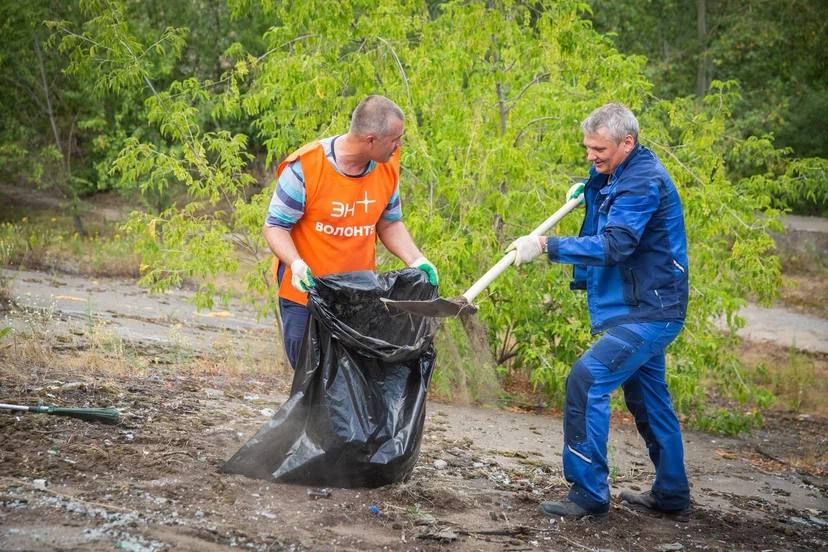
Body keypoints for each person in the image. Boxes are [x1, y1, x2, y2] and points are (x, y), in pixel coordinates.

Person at [507, 103, 690, 519]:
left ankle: (589, 494)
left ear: (628, 142)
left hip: (650, 312)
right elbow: (608, 201)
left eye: (599, 149)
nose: (591, 155)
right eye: (588, 148)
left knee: (587, 381)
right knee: (648, 400)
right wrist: (589, 188)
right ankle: (672, 494)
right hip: (641, 307)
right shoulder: (621, 172)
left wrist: (547, 246)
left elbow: (615, 246)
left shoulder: (642, 182)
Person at [263, 95, 438, 369]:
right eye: (394, 138)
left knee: (350, 381)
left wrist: (417, 260)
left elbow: (390, 223)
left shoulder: (386, 168)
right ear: (370, 139)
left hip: (357, 298)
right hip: (306, 292)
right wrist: (295, 264)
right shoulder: (306, 167)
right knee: (309, 373)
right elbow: (275, 226)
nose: (399, 145)